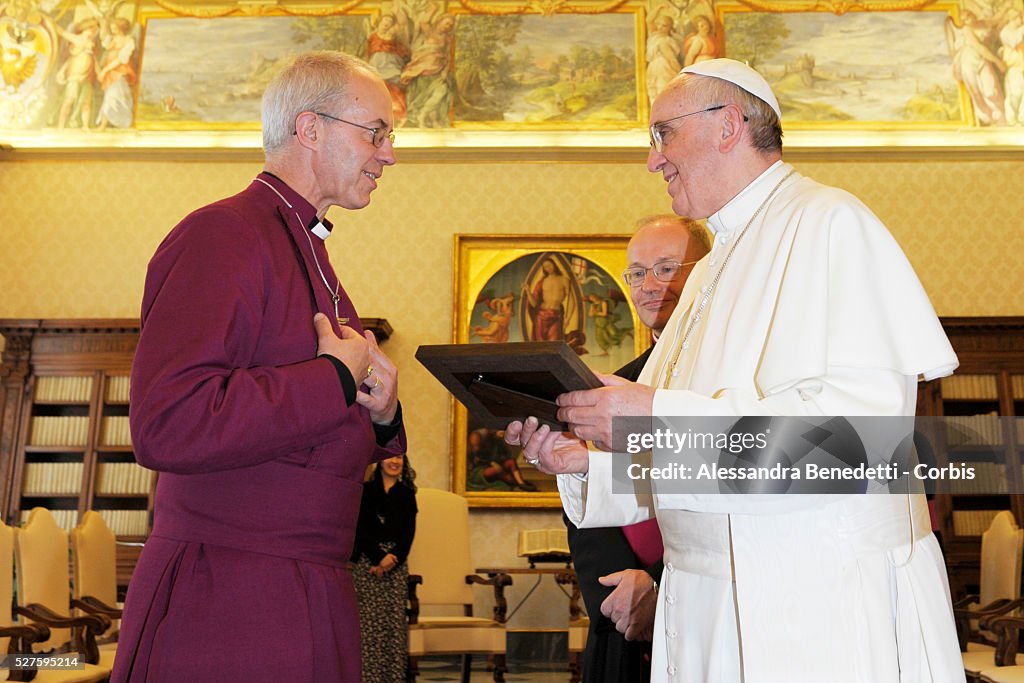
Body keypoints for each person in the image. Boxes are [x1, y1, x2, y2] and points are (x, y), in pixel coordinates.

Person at [506, 58, 965, 682]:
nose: (652, 159)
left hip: (813, 605)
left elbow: (855, 446)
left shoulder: (830, 223)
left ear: (727, 125)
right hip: (706, 604)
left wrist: (652, 419)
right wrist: (593, 460)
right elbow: (689, 456)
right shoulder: (711, 267)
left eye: (662, 133)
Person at [113, 51, 404, 682]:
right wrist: (335, 379)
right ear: (310, 129)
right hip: (231, 593)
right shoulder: (223, 233)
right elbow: (168, 421)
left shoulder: (306, 245)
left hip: (309, 581)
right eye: (376, 132)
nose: (388, 154)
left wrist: (382, 414)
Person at [567, 215, 710, 683]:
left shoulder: (728, 381)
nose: (649, 285)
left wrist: (658, 582)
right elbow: (586, 497)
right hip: (620, 622)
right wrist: (620, 588)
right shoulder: (611, 385)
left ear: (707, 271)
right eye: (636, 272)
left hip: (706, 607)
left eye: (666, 268)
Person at [352, 453, 418, 683]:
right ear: (379, 461)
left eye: (400, 458)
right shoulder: (364, 491)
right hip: (367, 564)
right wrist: (379, 558)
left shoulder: (408, 495)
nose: (395, 462)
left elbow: (408, 535)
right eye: (391, 457)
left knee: (392, 628)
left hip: (396, 567)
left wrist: (392, 559)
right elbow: (358, 530)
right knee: (367, 628)